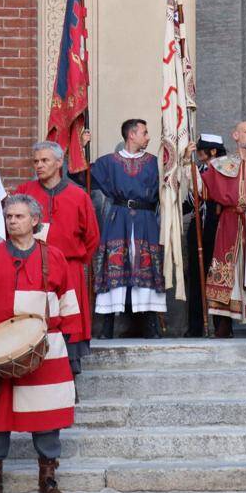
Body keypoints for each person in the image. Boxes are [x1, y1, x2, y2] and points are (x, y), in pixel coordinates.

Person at [0, 194, 81, 493]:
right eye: (9, 217)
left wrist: (62, 341)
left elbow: (68, 299)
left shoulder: (53, 256)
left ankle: (48, 479)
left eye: (19, 216)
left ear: (34, 220)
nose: (13, 221)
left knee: (46, 414)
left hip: (46, 348)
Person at [14, 141, 99, 381]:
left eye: (45, 160)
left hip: (68, 270)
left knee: (68, 323)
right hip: (30, 270)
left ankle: (68, 381)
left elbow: (92, 236)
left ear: (59, 162)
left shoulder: (78, 195)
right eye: (36, 161)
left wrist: (74, 263)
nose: (39, 165)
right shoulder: (25, 192)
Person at [90, 119, 164, 339]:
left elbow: (172, 182)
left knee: (147, 267)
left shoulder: (154, 163)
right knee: (115, 266)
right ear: (132, 135)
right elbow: (81, 174)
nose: (148, 136)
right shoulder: (109, 162)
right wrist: (78, 146)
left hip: (146, 219)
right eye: (145, 132)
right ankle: (107, 326)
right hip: (118, 218)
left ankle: (151, 324)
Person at [202, 121, 246, 337]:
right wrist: (186, 165)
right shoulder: (221, 164)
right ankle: (223, 324)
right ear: (235, 135)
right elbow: (203, 189)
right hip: (230, 223)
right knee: (226, 270)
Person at [183, 134, 225, 337]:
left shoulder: (226, 169)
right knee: (196, 278)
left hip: (219, 228)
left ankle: (222, 326)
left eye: (201, 149)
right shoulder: (195, 171)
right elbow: (188, 203)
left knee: (220, 277)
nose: (198, 153)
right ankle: (195, 326)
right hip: (198, 228)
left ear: (213, 151)